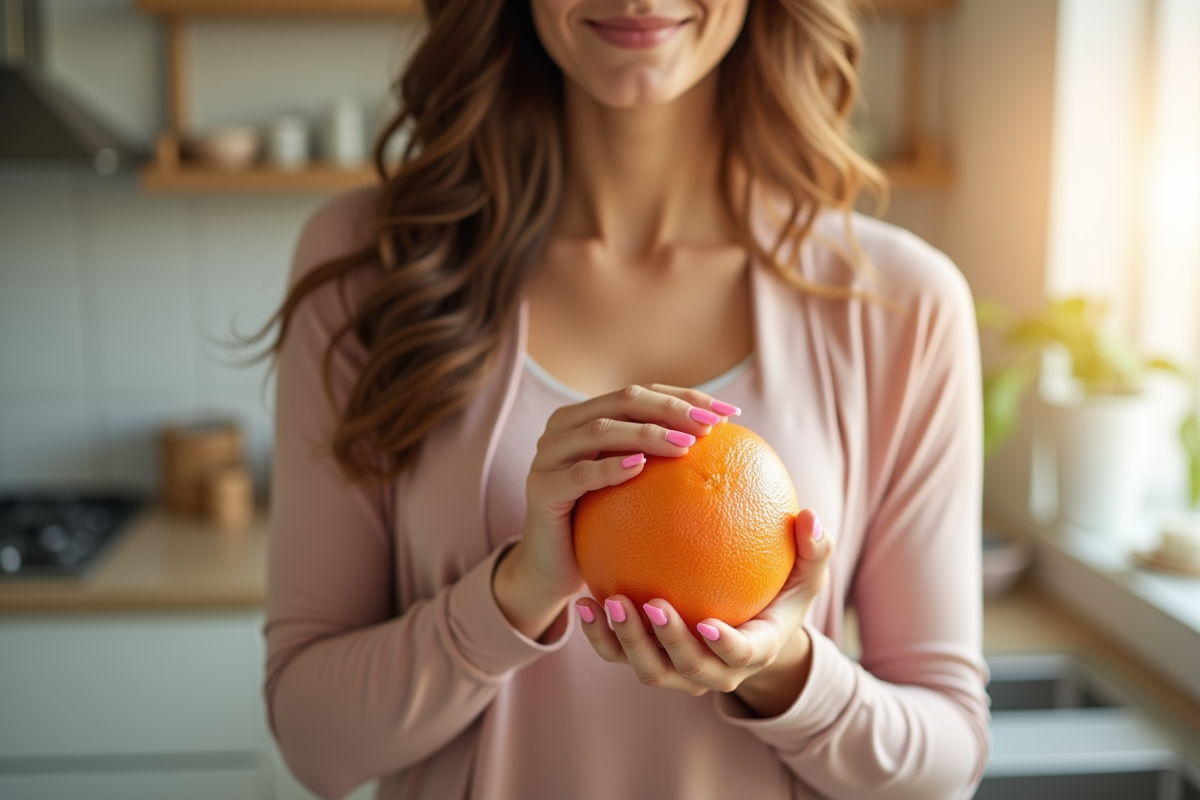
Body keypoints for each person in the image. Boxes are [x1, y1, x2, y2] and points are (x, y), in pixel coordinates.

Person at [262, 0, 991, 798]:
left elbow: (945, 766)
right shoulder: (372, 268)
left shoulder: (899, 303)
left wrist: (779, 668)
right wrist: (519, 593)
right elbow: (314, 741)